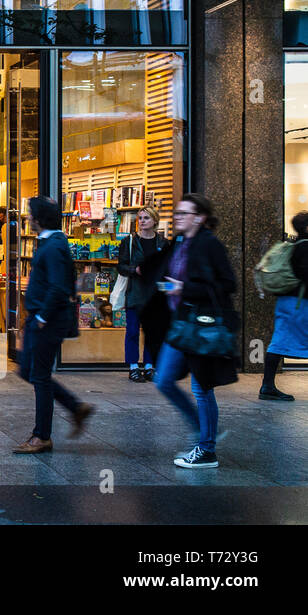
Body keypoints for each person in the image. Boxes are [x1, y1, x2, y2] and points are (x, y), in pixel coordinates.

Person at [151, 194, 237, 468]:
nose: (178, 217)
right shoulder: (181, 242)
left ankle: (207, 448)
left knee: (202, 388)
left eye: (185, 213)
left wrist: (184, 288)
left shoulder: (209, 244)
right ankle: (202, 431)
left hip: (201, 325)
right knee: (163, 379)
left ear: (200, 217)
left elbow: (228, 283)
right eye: (177, 213)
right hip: (182, 322)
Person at [14, 196, 93, 453]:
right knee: (28, 370)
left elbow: (59, 287)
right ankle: (74, 406)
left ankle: (42, 436)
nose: (27, 218)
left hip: (47, 321)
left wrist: (41, 317)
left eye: (29, 214)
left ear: (38, 219)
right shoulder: (50, 243)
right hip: (39, 318)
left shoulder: (56, 246)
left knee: (38, 374)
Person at [262, 211, 308, 401]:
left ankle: (267, 385)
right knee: (279, 342)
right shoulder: (305, 248)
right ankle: (267, 386)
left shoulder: (292, 245)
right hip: (299, 302)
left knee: (279, 340)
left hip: (287, 301)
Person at [116, 205, 162, 382]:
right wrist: (135, 269)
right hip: (135, 293)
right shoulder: (129, 242)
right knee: (133, 331)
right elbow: (120, 266)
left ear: (154, 221)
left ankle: (149, 366)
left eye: (146, 218)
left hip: (154, 295)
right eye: (140, 218)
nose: (142, 221)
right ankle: (133, 366)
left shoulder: (162, 243)